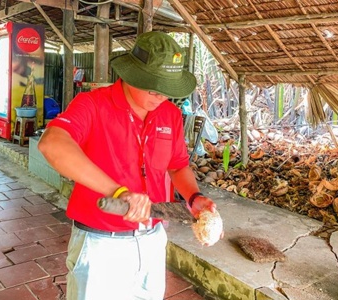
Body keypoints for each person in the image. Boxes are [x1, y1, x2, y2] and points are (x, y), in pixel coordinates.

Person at [38, 31, 222, 300]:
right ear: (131, 74)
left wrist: (194, 197)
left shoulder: (170, 114)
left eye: (166, 90)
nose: (160, 96)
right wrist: (118, 192)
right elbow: (51, 144)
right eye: (152, 87)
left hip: (153, 239)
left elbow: (178, 166)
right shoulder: (93, 104)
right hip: (101, 243)